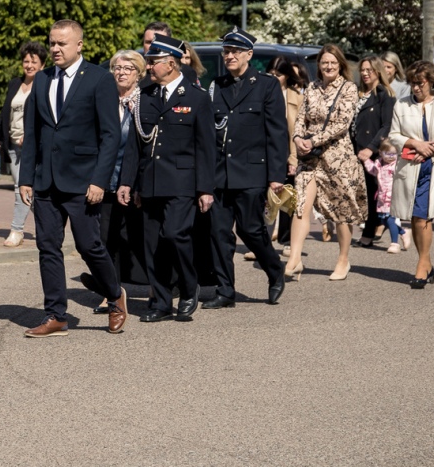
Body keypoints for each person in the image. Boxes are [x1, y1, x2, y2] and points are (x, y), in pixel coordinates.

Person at [18, 19, 124, 337]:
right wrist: (26, 178)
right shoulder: (41, 79)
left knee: (89, 245)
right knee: (48, 246)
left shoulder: (99, 80)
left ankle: (116, 296)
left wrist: (99, 180)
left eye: (61, 43)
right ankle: (56, 315)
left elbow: (111, 134)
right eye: (52, 42)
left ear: (79, 45)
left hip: (83, 181)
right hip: (46, 180)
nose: (54, 49)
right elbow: (33, 133)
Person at [117, 35, 216, 322]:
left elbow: (206, 147)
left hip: (182, 182)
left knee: (175, 235)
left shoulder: (196, 97)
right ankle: (160, 301)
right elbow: (136, 145)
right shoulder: (145, 95)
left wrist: (205, 188)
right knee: (151, 245)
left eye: (153, 62)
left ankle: (188, 288)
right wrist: (128, 182)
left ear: (171, 63)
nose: (148, 66)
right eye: (148, 61)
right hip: (149, 182)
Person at [203, 30, 287, 309]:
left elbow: (277, 133)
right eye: (226, 51)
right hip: (219, 173)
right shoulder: (217, 85)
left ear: (249, 55)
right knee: (218, 233)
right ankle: (225, 291)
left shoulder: (266, 85)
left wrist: (276, 176)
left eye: (236, 51)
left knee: (251, 231)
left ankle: (274, 271)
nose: (229, 56)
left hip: (252, 171)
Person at [284, 45, 366, 282]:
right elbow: (301, 119)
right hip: (309, 159)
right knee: (301, 204)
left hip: (338, 159)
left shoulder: (349, 88)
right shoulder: (311, 88)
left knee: (341, 212)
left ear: (340, 65)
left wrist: (313, 139)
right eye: (324, 63)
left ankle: (343, 259)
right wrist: (298, 138)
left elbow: (342, 123)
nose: (328, 67)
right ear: (318, 65)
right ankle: (295, 259)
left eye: (333, 63)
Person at [388, 61, 434, 288]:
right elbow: (393, 135)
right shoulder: (401, 105)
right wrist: (413, 143)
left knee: (424, 215)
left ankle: (422, 265)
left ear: (431, 81)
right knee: (413, 215)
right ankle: (427, 264)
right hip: (410, 167)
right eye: (412, 84)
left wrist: (431, 148)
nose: (416, 88)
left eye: (420, 84)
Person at [92, 49, 149, 312]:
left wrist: (135, 183)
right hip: (105, 180)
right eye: (117, 68)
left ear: (139, 74)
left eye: (128, 69)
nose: (121, 73)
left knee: (140, 238)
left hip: (135, 181)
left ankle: (166, 286)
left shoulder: (145, 101)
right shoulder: (105, 99)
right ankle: (111, 293)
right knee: (106, 239)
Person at [0, 41, 46, 247]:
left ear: (42, 64)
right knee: (26, 190)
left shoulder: (44, 85)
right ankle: (49, 224)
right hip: (12, 144)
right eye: (26, 61)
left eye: (34, 62)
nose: (30, 65)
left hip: (31, 147)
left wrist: (33, 136)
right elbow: (5, 111)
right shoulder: (15, 83)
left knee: (20, 188)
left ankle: (17, 230)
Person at [353, 56, 395, 248]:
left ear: (378, 71)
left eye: (369, 69)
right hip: (354, 148)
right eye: (362, 69)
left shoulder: (384, 94)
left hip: (371, 152)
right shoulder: (357, 92)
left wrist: (371, 148)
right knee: (358, 193)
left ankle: (370, 232)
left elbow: (386, 125)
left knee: (372, 194)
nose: (365, 73)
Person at [268, 56, 307, 249]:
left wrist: (293, 158)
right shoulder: (261, 91)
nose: (275, 78)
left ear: (287, 76)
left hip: (288, 151)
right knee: (265, 198)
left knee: (287, 197)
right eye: (271, 74)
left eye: (279, 75)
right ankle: (262, 242)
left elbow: (297, 131)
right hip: (265, 151)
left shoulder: (296, 96)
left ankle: (286, 240)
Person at [363, 140, 408, 253]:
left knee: (390, 219)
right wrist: (366, 161)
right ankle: (403, 232)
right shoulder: (379, 163)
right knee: (383, 220)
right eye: (387, 153)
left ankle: (394, 243)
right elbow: (373, 171)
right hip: (381, 196)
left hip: (393, 196)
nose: (391, 157)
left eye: (394, 153)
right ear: (380, 152)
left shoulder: (397, 164)